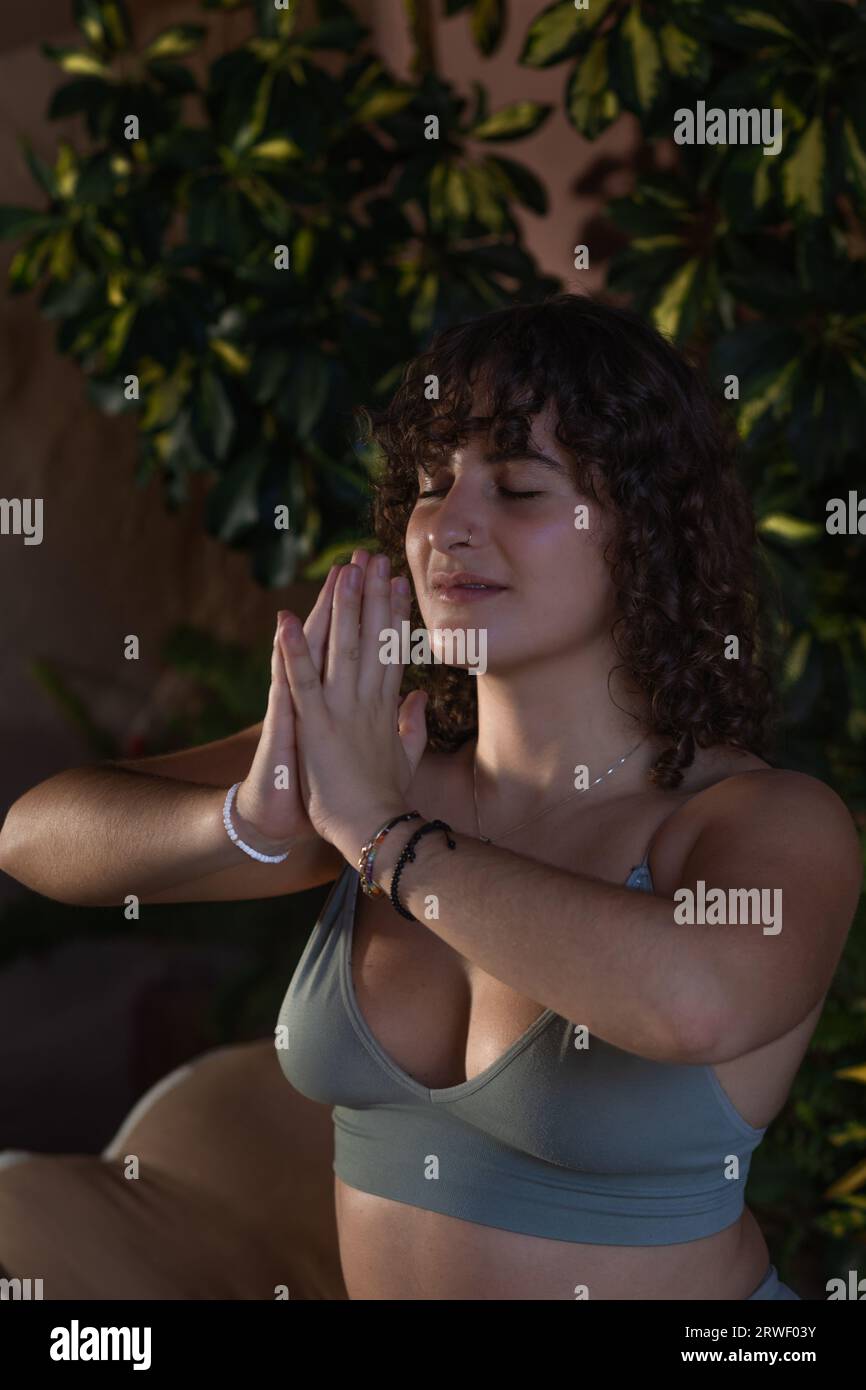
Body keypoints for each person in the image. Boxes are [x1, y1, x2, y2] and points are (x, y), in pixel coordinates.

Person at [1, 293, 860, 1301]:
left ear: (640, 525)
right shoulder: (382, 754)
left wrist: (380, 833)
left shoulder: (760, 821)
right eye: (428, 483)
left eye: (515, 488)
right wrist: (252, 814)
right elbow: (32, 835)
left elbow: (694, 1004)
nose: (447, 525)